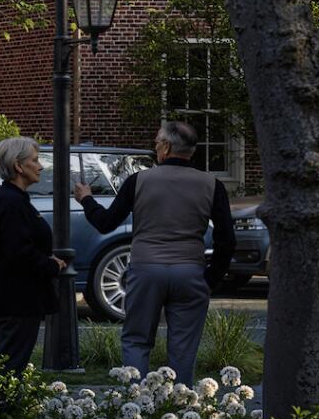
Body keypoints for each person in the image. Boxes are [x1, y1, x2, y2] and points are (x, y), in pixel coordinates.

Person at [83, 120, 234, 382]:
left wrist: (86, 199)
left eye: (156, 143)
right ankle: (181, 409)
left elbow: (106, 223)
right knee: (184, 350)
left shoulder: (139, 180)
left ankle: (135, 403)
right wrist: (211, 278)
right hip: (190, 271)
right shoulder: (212, 184)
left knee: (137, 340)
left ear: (165, 147)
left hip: (146, 269)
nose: (155, 147)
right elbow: (226, 239)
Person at [0, 136, 67, 371]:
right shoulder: (11, 204)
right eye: (34, 160)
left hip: (8, 295)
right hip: (18, 298)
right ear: (18, 166)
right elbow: (18, 251)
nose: (40, 166)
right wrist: (51, 265)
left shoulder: (3, 201)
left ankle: (3, 405)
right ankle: (3, 407)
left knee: (8, 362)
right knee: (11, 366)